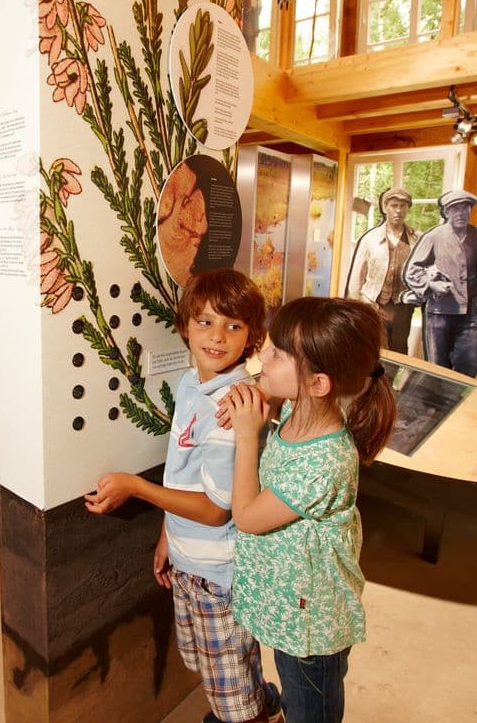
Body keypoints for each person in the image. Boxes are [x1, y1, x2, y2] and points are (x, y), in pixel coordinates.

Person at [84, 269, 280, 723]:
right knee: (221, 670)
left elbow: (214, 511)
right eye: (205, 322)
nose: (217, 336)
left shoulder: (230, 408)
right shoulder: (192, 384)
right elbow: (184, 472)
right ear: (185, 325)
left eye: (233, 325)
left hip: (218, 575)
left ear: (251, 336)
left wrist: (135, 487)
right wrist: (167, 535)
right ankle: (265, 707)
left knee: (231, 695)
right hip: (190, 561)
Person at [222, 297, 396, 723]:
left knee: (309, 706)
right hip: (292, 606)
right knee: (292, 688)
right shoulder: (301, 407)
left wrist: (246, 435)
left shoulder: (324, 464)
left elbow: (247, 516)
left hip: (311, 627)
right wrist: (261, 392)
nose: (263, 356)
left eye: (279, 354)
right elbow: (273, 390)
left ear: (318, 383)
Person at [402, 190, 477, 377]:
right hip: (439, 313)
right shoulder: (434, 236)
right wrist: (430, 285)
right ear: (446, 212)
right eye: (455, 209)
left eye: (465, 208)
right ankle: (437, 397)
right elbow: (412, 270)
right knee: (438, 369)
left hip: (470, 315)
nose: (461, 213)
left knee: (469, 365)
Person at [345, 188, 421, 353]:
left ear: (408, 209)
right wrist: (357, 307)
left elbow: (423, 273)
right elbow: (356, 277)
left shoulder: (417, 240)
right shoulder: (369, 239)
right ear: (385, 207)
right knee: (375, 348)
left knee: (399, 349)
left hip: (403, 308)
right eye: (394, 205)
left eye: (402, 206)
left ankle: (393, 372)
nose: (398, 211)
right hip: (375, 305)